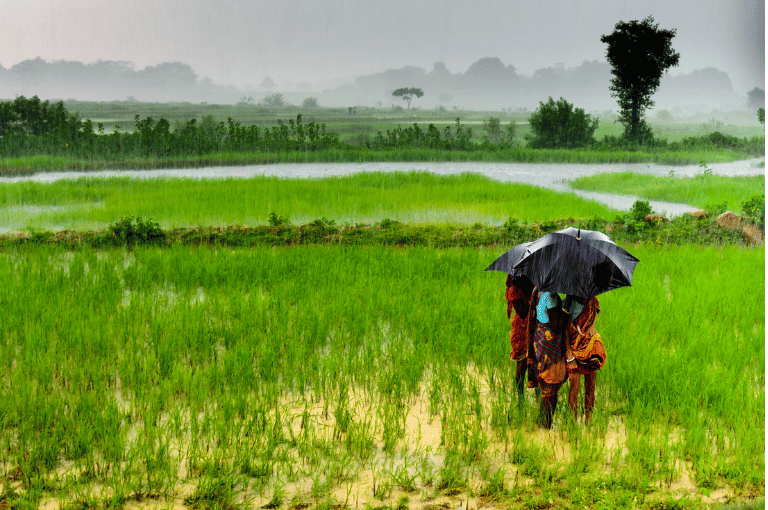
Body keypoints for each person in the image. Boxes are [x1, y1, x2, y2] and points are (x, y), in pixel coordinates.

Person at [526, 289, 569, 429]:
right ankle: (545, 427)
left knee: (547, 388)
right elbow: (556, 326)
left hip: (540, 342)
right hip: (548, 349)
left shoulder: (540, 291)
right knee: (550, 389)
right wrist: (567, 306)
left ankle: (542, 423)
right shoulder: (550, 296)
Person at [564, 296, 606, 423]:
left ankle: (589, 420)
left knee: (591, 387)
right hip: (574, 347)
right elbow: (565, 330)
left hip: (590, 346)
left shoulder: (593, 301)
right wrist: (569, 354)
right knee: (574, 388)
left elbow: (590, 324)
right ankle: (573, 424)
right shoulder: (569, 302)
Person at [504, 275, 534, 404]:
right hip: (522, 328)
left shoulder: (533, 284)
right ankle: (520, 401)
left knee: (538, 365)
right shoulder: (514, 289)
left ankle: (537, 399)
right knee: (521, 365)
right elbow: (521, 311)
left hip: (535, 324)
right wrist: (534, 302)